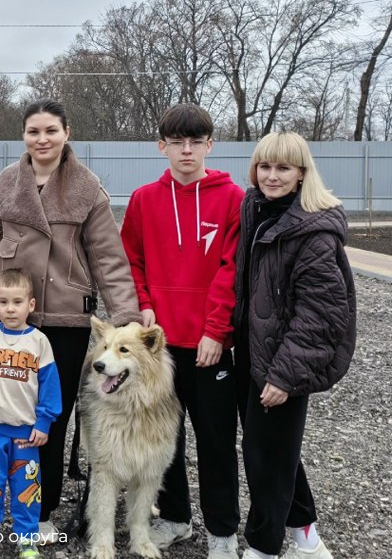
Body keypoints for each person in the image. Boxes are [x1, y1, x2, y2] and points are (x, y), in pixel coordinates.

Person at [0, 99, 141, 543]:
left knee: (51, 416)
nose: (42, 139)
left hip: (66, 322)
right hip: (9, 318)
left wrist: (126, 318)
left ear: (67, 132)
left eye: (51, 130)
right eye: (33, 131)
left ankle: (42, 510)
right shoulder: (5, 185)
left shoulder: (88, 189)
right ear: (23, 136)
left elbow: (109, 259)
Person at [120, 103, 243, 559]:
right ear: (162, 146)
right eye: (177, 141)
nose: (186, 150)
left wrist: (216, 329)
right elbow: (130, 259)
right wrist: (144, 307)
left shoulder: (234, 200)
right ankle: (174, 517)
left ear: (210, 145)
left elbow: (232, 269)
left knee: (215, 442)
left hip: (210, 347)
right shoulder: (143, 200)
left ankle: (222, 533)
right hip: (159, 351)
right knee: (161, 438)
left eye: (196, 141)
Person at [235, 132, 355, 559]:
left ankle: (264, 547)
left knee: (264, 456)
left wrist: (284, 375)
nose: (271, 176)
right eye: (264, 166)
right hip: (251, 351)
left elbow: (321, 316)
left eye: (283, 168)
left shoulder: (313, 232)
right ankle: (306, 537)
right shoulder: (256, 208)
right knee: (274, 451)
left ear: (302, 173)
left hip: (283, 360)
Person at [0, 269, 62, 559]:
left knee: (26, 487)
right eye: (3, 302)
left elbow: (50, 386)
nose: (10, 308)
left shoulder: (39, 342)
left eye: (17, 302)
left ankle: (27, 538)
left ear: (30, 305)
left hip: (25, 433)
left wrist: (44, 421)